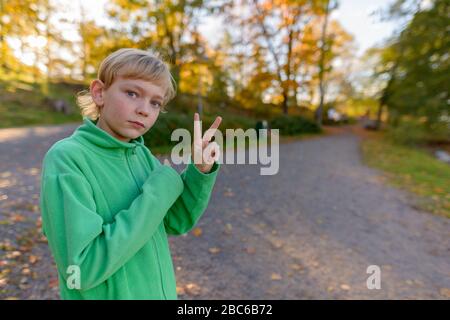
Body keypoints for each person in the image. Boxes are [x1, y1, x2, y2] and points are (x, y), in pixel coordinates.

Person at [39, 48, 222, 299]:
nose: (144, 110)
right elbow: (81, 269)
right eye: (132, 93)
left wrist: (199, 172)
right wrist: (159, 190)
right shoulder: (68, 158)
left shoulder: (141, 155)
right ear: (99, 93)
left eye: (155, 102)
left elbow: (175, 221)